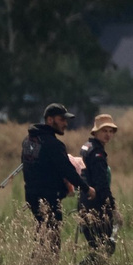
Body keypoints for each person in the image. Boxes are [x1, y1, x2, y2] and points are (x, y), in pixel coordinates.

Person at [19, 103, 86, 254]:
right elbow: (68, 171)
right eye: (62, 119)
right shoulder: (53, 144)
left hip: (31, 196)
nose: (65, 124)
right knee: (52, 243)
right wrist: (87, 188)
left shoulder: (28, 141)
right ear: (50, 120)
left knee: (41, 237)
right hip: (49, 198)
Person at [77, 112, 119, 256]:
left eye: (110, 131)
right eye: (104, 131)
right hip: (96, 207)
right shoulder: (97, 153)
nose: (108, 134)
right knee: (104, 249)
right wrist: (113, 208)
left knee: (97, 247)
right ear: (96, 132)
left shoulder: (86, 147)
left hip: (83, 203)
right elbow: (101, 185)